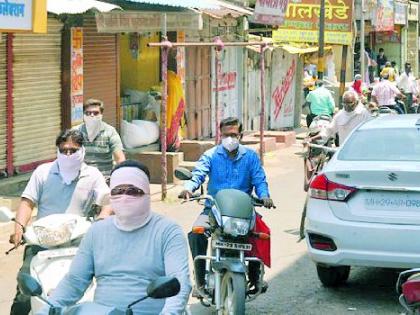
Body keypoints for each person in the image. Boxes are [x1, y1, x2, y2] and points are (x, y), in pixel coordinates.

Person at [40, 160, 191, 315]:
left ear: (147, 194)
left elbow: (180, 284)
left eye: (133, 191)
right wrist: (46, 310)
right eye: (118, 191)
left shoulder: (168, 232)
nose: (124, 197)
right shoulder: (97, 232)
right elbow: (74, 282)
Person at [10, 129, 112, 315]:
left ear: (82, 150)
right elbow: (27, 202)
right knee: (24, 291)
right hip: (42, 241)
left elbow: (107, 201)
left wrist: (103, 219)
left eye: (73, 150)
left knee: (103, 285)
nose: (68, 154)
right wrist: (19, 228)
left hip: (79, 242)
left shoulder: (92, 175)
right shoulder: (43, 172)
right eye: (63, 150)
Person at [179, 117, 274, 292]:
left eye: (233, 135)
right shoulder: (211, 155)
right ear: (219, 136)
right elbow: (198, 174)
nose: (229, 139)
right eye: (225, 135)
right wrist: (188, 189)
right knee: (196, 233)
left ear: (241, 135)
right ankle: (200, 281)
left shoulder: (251, 157)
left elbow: (260, 180)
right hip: (214, 209)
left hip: (243, 210)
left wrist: (265, 196)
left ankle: (255, 277)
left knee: (261, 234)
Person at [75, 99, 125, 176]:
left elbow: (120, 158)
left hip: (104, 177)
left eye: (96, 113)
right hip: (82, 177)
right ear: (83, 115)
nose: (92, 115)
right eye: (88, 113)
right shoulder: (76, 132)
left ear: (101, 114)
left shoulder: (110, 132)